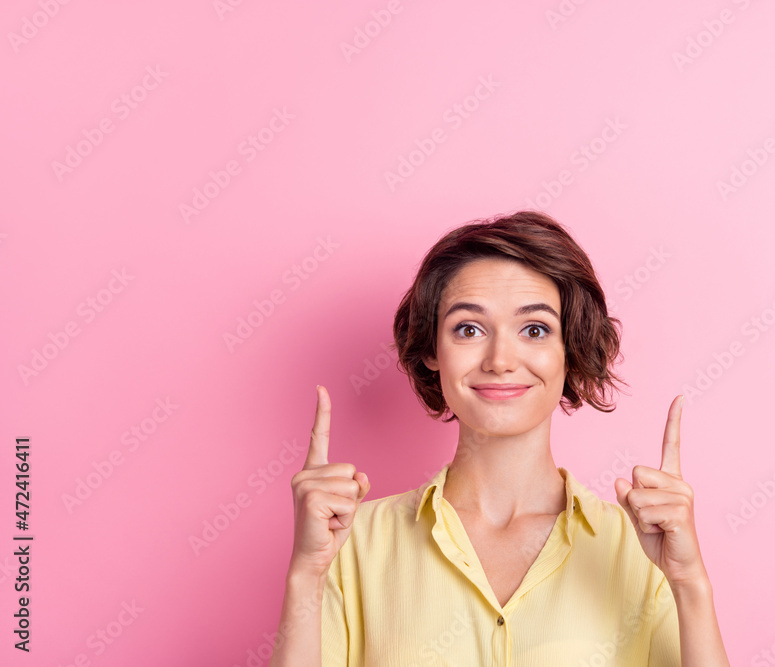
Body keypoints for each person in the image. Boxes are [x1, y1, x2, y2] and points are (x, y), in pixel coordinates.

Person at [269, 210, 730, 666]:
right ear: (432, 349)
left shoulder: (642, 548)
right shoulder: (351, 542)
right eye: (469, 329)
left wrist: (688, 581)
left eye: (535, 330)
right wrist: (305, 576)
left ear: (570, 349)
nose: (501, 360)